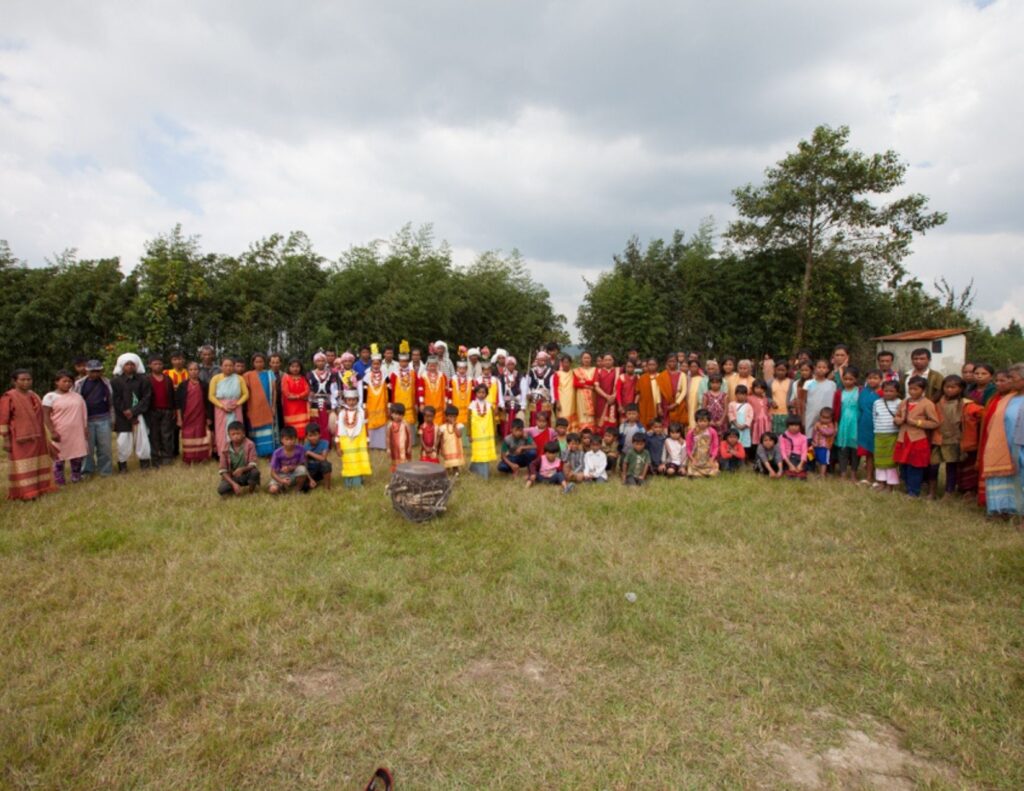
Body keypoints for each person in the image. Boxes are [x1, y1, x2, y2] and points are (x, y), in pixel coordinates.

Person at [1, 369, 57, 500]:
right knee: (23, 465)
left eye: (29, 379)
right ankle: (26, 493)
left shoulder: (34, 395)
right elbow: (3, 418)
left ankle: (41, 488)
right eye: (23, 379)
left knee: (39, 462)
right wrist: (6, 439)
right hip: (20, 438)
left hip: (38, 436)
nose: (26, 382)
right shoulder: (8, 396)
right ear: (14, 381)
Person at [979, 364, 1024, 520]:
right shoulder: (1008, 399)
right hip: (1006, 446)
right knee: (1010, 479)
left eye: (1013, 378)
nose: (1009, 381)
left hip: (1021, 446)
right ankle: (1005, 508)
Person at [893, 376, 941, 497]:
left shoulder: (927, 404)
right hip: (903, 437)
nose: (912, 392)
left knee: (915, 465)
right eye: (910, 389)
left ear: (923, 390)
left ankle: (914, 491)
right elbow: (897, 415)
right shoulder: (905, 402)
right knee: (904, 464)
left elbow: (935, 422)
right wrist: (898, 420)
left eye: (916, 389)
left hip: (917, 438)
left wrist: (917, 422)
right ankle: (907, 486)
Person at [42, 370, 88, 485]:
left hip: (77, 431)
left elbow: (83, 414)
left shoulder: (77, 396)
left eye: (70, 381)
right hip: (60, 431)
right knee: (59, 458)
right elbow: (46, 416)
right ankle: (59, 480)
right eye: (64, 381)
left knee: (77, 456)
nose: (67, 384)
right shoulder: (50, 397)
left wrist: (85, 428)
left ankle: (76, 477)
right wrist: (52, 431)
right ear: (57, 382)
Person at [111, 352, 153, 472]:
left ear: (136, 365)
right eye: (127, 364)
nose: (129, 366)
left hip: (140, 414)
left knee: (142, 439)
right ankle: (122, 465)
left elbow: (147, 397)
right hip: (122, 416)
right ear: (122, 366)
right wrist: (126, 411)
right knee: (123, 441)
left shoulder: (143, 380)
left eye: (132, 364)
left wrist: (134, 411)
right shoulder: (115, 381)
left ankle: (145, 463)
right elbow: (116, 399)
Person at [932, 375, 972, 498]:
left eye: (953, 387)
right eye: (947, 387)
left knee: (951, 467)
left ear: (960, 389)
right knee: (933, 465)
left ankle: (949, 492)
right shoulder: (936, 401)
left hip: (954, 438)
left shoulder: (964, 403)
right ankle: (932, 491)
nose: (949, 390)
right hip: (937, 437)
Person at [74, 359, 114, 478]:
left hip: (104, 418)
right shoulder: (79, 384)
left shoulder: (107, 382)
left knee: (105, 448)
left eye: (98, 371)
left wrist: (113, 418)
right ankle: (87, 471)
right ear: (87, 371)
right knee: (87, 449)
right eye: (92, 371)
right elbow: (75, 401)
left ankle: (105, 471)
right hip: (87, 420)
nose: (95, 374)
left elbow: (111, 402)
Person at [208, 356, 249, 454]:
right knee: (222, 430)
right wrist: (222, 406)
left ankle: (238, 452)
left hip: (236, 408)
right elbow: (211, 396)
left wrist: (237, 404)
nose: (228, 368)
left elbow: (246, 394)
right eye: (225, 365)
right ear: (221, 367)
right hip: (221, 408)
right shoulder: (216, 378)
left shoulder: (239, 378)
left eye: (231, 365)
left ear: (234, 367)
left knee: (237, 429)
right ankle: (223, 452)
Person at [176, 361, 212, 465]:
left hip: (201, 415)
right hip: (187, 415)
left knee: (200, 434)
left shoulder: (204, 385)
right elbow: (178, 404)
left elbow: (208, 402)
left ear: (199, 371)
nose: (193, 372)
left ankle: (201, 457)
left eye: (195, 369)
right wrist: (179, 418)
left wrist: (209, 417)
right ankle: (188, 457)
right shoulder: (182, 386)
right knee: (188, 435)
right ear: (187, 371)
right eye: (191, 370)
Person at [243, 353, 278, 456]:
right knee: (255, 431)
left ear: (264, 362)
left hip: (267, 406)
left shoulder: (269, 374)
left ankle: (269, 452)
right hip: (254, 408)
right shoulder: (248, 375)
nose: (259, 364)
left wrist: (273, 406)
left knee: (268, 430)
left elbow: (274, 391)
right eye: (256, 362)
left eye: (261, 361)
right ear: (253, 363)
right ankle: (256, 452)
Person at [872, 380, 902, 492]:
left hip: (893, 435)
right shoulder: (877, 403)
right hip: (879, 435)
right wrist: (876, 430)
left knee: (891, 461)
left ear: (897, 392)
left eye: (891, 391)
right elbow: (874, 418)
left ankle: (890, 484)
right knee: (879, 460)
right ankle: (881, 482)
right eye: (886, 391)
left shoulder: (900, 403)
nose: (888, 393)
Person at [146, 354, 176, 468]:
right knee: (154, 435)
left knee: (166, 434)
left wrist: (173, 409)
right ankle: (155, 457)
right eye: (155, 364)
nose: (158, 366)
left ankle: (167, 457)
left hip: (167, 410)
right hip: (153, 411)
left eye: (160, 364)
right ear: (150, 365)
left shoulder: (168, 379)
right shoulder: (147, 379)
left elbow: (172, 395)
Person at [832, 368, 861, 482]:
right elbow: (835, 409)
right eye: (845, 379)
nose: (848, 381)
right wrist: (835, 423)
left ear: (856, 379)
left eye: (851, 379)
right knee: (843, 449)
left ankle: (854, 473)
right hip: (843, 423)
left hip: (856, 424)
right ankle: (843, 472)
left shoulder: (860, 391)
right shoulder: (839, 393)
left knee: (855, 450)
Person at [218, 421, 260, 496]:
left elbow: (253, 463)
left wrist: (242, 469)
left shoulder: (250, 444)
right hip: (233, 476)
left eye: (238, 433)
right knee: (221, 489)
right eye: (233, 434)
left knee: (255, 472)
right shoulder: (225, 448)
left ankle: (251, 492)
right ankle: (235, 488)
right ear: (229, 435)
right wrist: (233, 484)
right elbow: (223, 470)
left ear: (243, 434)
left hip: (247, 473)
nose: (236, 436)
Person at [857, 369, 883, 484]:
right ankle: (868, 477)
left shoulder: (884, 393)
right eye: (870, 378)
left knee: (878, 453)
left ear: (881, 380)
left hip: (879, 425)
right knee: (868, 453)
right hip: (864, 424)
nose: (872, 380)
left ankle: (880, 478)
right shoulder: (863, 391)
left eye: (875, 378)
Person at [268, 426, 309, 494]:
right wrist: (282, 480)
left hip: (294, 474)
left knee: (302, 469)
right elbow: (272, 473)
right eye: (287, 439)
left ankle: (297, 490)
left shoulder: (300, 449)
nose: (289, 442)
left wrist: (290, 468)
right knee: (273, 490)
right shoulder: (277, 453)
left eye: (292, 439)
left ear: (296, 439)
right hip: (280, 475)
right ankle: (283, 488)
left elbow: (303, 464)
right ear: (282, 440)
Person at [390, 343, 419, 441]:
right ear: (399, 361)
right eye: (402, 361)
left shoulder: (412, 373)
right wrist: (392, 403)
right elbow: (392, 389)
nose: (404, 363)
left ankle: (411, 440)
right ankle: (398, 439)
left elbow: (416, 388)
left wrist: (416, 402)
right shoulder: (394, 374)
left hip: (410, 403)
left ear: (408, 361)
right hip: (398, 402)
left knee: (410, 421)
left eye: (406, 361)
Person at [468, 384, 497, 478]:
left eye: (483, 392)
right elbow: (468, 421)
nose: (481, 394)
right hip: (476, 434)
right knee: (477, 452)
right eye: (479, 392)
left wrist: (495, 432)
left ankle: (484, 472)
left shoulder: (489, 406)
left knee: (485, 453)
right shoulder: (471, 406)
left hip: (487, 434)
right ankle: (476, 469)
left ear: (487, 394)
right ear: (476, 393)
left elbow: (493, 420)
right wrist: (469, 434)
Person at [307, 352, 336, 440]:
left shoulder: (331, 374)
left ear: (325, 362)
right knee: (315, 422)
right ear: (315, 362)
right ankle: (315, 441)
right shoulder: (310, 374)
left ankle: (326, 442)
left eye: (322, 361)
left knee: (326, 422)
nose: (320, 363)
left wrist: (333, 404)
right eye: (318, 361)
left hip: (327, 403)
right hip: (314, 403)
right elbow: (308, 388)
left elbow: (334, 389)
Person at [281, 359, 311, 441]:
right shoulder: (285, 378)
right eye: (293, 366)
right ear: (289, 367)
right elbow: (287, 394)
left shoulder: (303, 378)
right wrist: (301, 396)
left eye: (297, 366)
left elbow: (307, 390)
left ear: (300, 368)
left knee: (302, 431)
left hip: (302, 408)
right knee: (291, 431)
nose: (295, 368)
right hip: (290, 409)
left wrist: (297, 396)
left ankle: (301, 447)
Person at [657, 354, 688, 428]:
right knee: (666, 425)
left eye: (674, 361)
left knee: (679, 426)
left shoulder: (682, 375)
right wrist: (659, 407)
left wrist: (676, 404)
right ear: (667, 363)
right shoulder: (661, 376)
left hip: (678, 404)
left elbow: (684, 391)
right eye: (670, 361)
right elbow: (659, 392)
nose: (672, 363)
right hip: (665, 405)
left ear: (677, 362)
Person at [686, 409, 720, 478]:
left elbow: (715, 447)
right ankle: (701, 474)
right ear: (697, 421)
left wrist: (712, 459)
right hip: (695, 458)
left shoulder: (712, 432)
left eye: (705, 421)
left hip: (708, 458)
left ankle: (704, 473)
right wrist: (692, 459)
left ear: (708, 422)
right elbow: (688, 447)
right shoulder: (691, 432)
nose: (702, 423)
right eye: (700, 421)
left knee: (714, 469)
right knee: (691, 471)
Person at [525, 351, 554, 428]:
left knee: (546, 417)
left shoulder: (550, 371)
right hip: (534, 398)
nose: (542, 361)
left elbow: (552, 385)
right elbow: (527, 384)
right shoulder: (531, 371)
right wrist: (528, 393)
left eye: (544, 360)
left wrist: (552, 399)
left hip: (545, 398)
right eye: (541, 360)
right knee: (534, 418)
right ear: (537, 360)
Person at [417, 356, 447, 427]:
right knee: (429, 428)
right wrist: (421, 404)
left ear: (437, 366)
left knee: (440, 429)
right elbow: (420, 392)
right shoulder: (423, 377)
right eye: (431, 366)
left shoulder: (442, 376)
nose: (432, 368)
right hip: (428, 408)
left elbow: (445, 391)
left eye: (434, 366)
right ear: (427, 366)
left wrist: (446, 403)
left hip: (440, 408)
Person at [572, 352, 598, 431]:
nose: (586, 360)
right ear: (581, 359)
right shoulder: (577, 371)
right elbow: (575, 384)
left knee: (591, 415)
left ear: (591, 359)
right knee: (581, 413)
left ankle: (591, 431)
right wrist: (586, 385)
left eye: (588, 358)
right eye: (584, 358)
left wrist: (583, 382)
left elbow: (594, 381)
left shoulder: (595, 370)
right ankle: (582, 431)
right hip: (581, 396)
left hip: (592, 395)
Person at [303, 422, 333, 490]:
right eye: (310, 435)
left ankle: (327, 487)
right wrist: (310, 479)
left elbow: (323, 458)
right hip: (310, 472)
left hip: (320, 471)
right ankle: (312, 482)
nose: (313, 438)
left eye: (315, 435)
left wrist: (309, 453)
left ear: (320, 434)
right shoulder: (305, 447)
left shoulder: (325, 443)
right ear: (307, 437)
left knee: (326, 464)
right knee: (305, 488)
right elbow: (304, 465)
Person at [437, 405, 465, 476]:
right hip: (447, 447)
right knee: (447, 461)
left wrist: (454, 426)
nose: (452, 418)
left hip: (456, 448)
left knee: (455, 462)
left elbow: (459, 435)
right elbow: (441, 439)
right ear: (446, 417)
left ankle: (455, 470)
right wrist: (441, 449)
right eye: (450, 416)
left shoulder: (458, 425)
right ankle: (447, 470)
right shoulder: (443, 427)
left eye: (454, 416)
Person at [594, 353, 619, 431]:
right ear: (603, 361)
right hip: (601, 400)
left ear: (613, 361)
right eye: (606, 360)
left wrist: (614, 396)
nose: (608, 362)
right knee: (600, 424)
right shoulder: (598, 371)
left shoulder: (618, 371)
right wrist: (607, 396)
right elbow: (596, 387)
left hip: (613, 401)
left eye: (610, 360)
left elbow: (620, 385)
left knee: (612, 423)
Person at [779, 415, 809, 479]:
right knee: (792, 461)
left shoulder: (804, 438)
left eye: (796, 425)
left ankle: (797, 472)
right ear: (787, 426)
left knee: (802, 470)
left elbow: (804, 452)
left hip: (800, 459)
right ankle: (791, 472)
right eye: (791, 425)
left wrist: (801, 464)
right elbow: (783, 452)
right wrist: (790, 465)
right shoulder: (783, 436)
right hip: (787, 458)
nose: (794, 427)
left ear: (800, 427)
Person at [552, 354, 577, 430]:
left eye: (567, 362)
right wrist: (557, 402)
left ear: (570, 363)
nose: (566, 364)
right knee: (562, 416)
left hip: (572, 399)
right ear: (561, 363)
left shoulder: (574, 373)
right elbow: (555, 388)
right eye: (564, 362)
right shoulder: (557, 374)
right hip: (562, 400)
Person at [386, 403, 413, 472]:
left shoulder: (405, 424)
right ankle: (396, 476)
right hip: (395, 449)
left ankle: (406, 475)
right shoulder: (390, 425)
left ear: (403, 415)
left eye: (400, 414)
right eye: (395, 414)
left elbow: (410, 435)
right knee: (395, 462)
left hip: (404, 447)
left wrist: (409, 446)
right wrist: (388, 448)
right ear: (391, 414)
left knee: (405, 463)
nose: (397, 416)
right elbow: (388, 437)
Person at [811, 406, 837, 476]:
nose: (824, 420)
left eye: (827, 418)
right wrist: (813, 442)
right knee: (819, 460)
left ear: (831, 418)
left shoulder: (831, 425)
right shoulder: (818, 423)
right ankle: (820, 472)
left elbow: (828, 433)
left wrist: (819, 427)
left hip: (825, 447)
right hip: (817, 445)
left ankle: (822, 474)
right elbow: (814, 433)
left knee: (823, 461)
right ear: (820, 416)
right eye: (823, 417)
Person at [769, 360, 792, 436]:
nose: (780, 372)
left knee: (786, 436)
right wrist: (771, 401)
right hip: (773, 414)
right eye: (778, 370)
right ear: (775, 370)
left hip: (787, 414)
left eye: (783, 370)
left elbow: (794, 396)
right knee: (774, 436)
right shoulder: (770, 382)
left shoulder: (791, 382)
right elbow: (766, 396)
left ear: (787, 371)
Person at [702, 374, 729, 438]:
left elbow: (726, 409)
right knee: (710, 437)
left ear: (721, 384)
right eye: (713, 383)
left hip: (721, 421)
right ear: (709, 383)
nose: (715, 385)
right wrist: (709, 420)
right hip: (709, 421)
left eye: (717, 383)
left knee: (721, 437)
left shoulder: (724, 395)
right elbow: (704, 409)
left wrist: (721, 420)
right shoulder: (706, 395)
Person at [748, 380, 771, 451]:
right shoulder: (749, 398)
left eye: (762, 388)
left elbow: (768, 409)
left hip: (765, 421)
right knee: (755, 437)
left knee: (764, 437)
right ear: (753, 388)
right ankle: (753, 455)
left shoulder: (765, 399)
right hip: (756, 421)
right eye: (757, 388)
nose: (759, 390)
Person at [729, 385, 753, 453]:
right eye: (739, 394)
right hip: (735, 426)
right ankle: (734, 458)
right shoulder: (731, 404)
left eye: (743, 394)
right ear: (736, 394)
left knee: (744, 443)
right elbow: (731, 414)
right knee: (734, 441)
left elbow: (750, 416)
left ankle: (743, 458)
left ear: (746, 395)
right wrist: (737, 425)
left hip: (745, 428)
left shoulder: (749, 406)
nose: (741, 396)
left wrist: (744, 425)